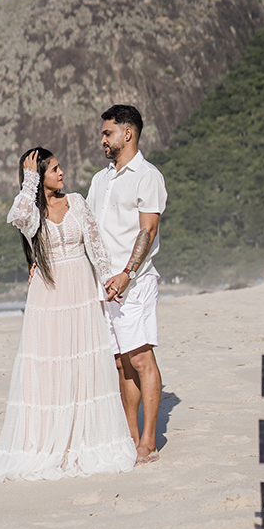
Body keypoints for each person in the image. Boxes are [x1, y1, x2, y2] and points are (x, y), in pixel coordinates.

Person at [0, 147, 137, 481]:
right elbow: (18, 217)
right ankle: (51, 439)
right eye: (53, 169)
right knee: (50, 365)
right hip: (48, 295)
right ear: (40, 176)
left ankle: (83, 438)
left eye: (59, 167)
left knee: (82, 362)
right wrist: (29, 181)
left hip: (81, 290)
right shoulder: (32, 212)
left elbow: (96, 245)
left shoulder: (77, 202)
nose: (61, 172)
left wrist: (108, 281)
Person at [87, 105, 167, 464]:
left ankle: (149, 442)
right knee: (121, 363)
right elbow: (88, 229)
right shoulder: (100, 180)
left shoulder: (147, 176)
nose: (103, 140)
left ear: (128, 133)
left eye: (108, 133)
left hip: (135, 282)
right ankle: (130, 437)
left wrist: (127, 274)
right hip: (105, 286)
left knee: (140, 357)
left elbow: (147, 230)